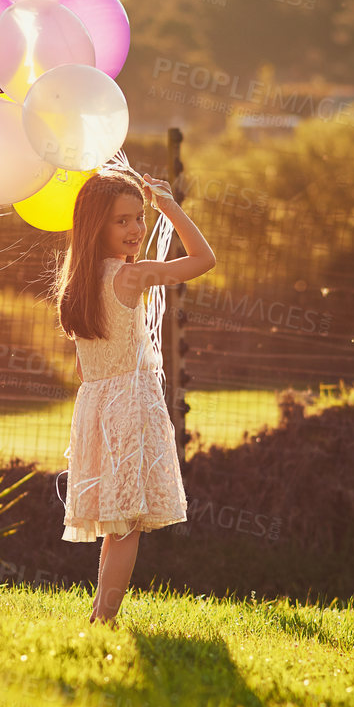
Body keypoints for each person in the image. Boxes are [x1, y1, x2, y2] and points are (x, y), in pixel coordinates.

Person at [47, 169, 216, 625]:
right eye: (122, 221)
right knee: (126, 525)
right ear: (96, 226)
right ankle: (104, 619)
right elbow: (203, 259)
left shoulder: (76, 286)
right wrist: (169, 206)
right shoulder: (131, 276)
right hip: (130, 407)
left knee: (117, 520)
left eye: (139, 218)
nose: (136, 229)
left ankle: (101, 615)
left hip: (96, 407)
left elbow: (84, 367)